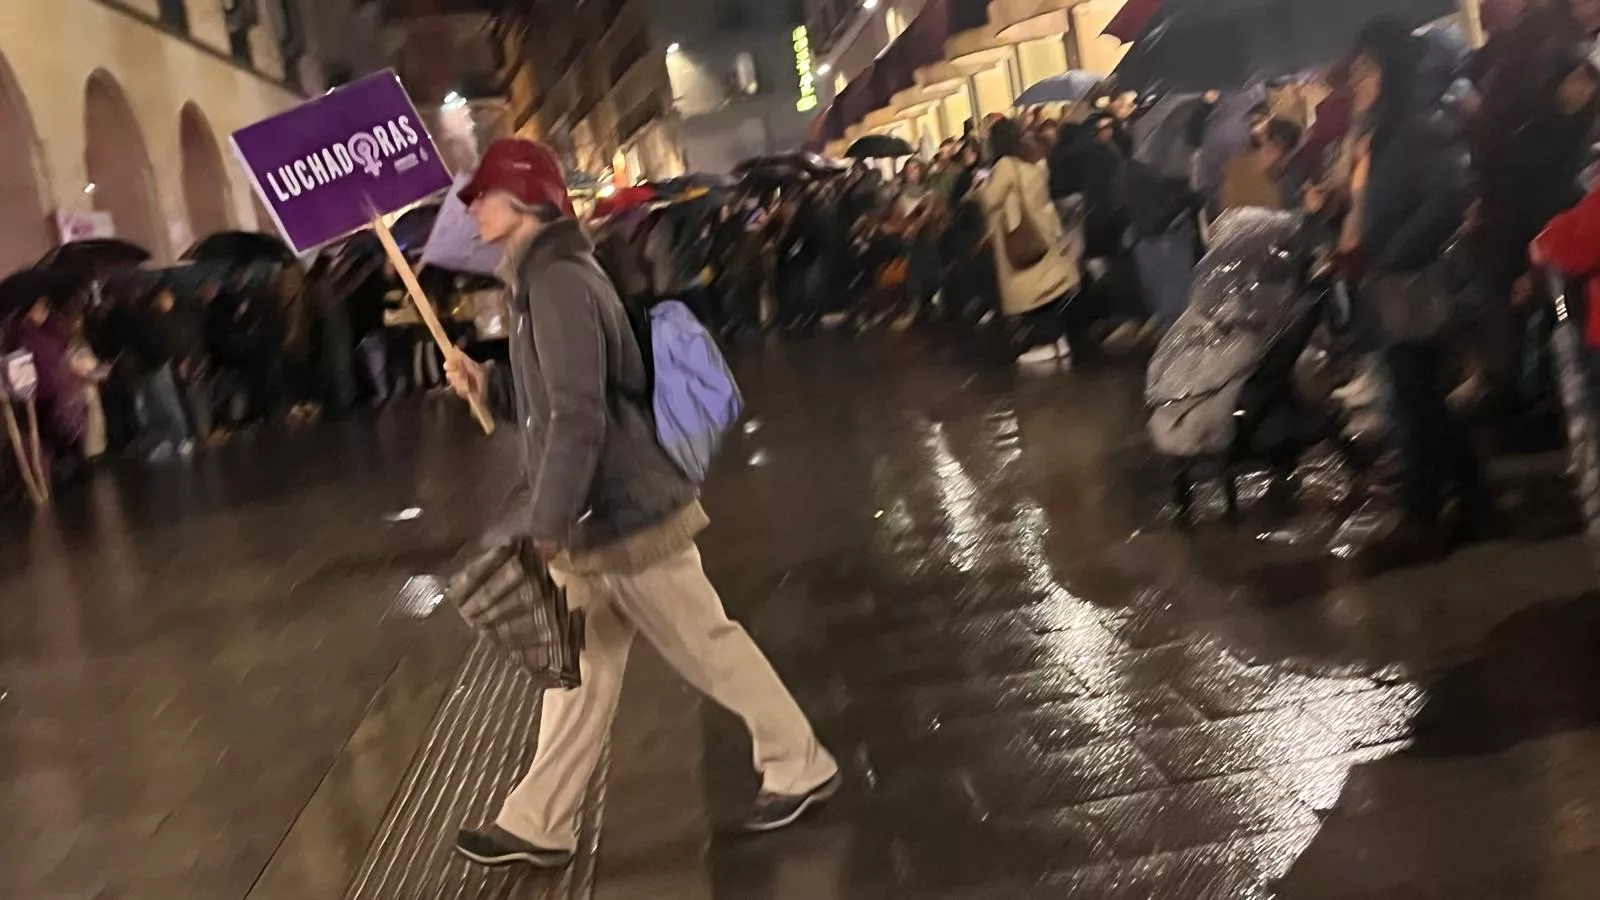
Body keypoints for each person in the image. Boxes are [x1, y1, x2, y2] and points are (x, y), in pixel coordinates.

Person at [443, 139, 840, 869]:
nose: (476, 210)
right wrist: (488, 388)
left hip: (620, 510)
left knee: (704, 644)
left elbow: (580, 413)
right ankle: (540, 820)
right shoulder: (539, 279)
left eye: (487, 196)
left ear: (528, 199)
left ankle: (799, 762)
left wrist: (548, 522)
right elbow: (550, 400)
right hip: (596, 512)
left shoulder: (557, 281)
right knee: (580, 670)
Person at [1344, 18, 1489, 566]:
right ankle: (1467, 499)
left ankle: (1422, 514)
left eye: (1365, 70)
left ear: (1391, 69)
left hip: (1414, 280)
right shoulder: (1381, 129)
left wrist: (1395, 250)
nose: (1357, 81)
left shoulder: (1419, 126)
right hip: (1391, 279)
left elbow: (1448, 196)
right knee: (1422, 398)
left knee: (1416, 400)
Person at [978, 118, 1082, 368]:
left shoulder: (1005, 165)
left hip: (1021, 235)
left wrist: (980, 187)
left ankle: (1049, 343)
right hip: (1043, 228)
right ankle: (1059, 341)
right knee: (1048, 290)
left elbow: (991, 199)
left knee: (1034, 293)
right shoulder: (1034, 157)